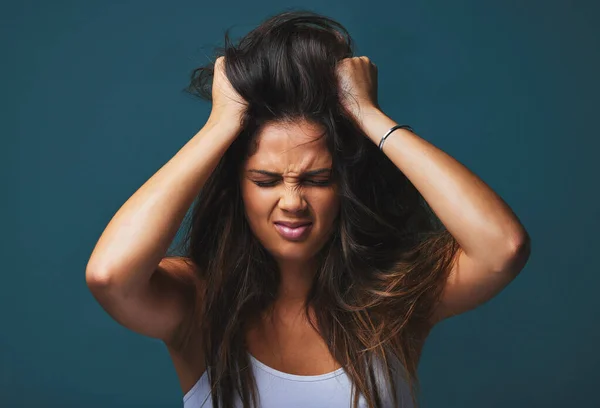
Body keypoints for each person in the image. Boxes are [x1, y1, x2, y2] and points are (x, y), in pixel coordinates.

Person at [85, 10, 531, 408]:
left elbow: (503, 248)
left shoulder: (391, 300)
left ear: (344, 186)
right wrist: (221, 125)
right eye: (266, 180)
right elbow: (110, 276)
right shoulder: (197, 302)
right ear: (236, 187)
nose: (293, 202)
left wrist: (369, 117)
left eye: (317, 180)